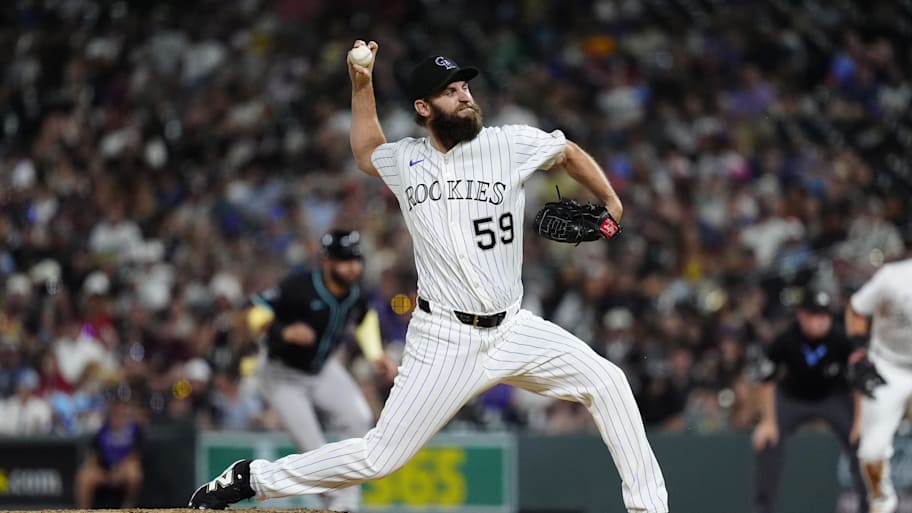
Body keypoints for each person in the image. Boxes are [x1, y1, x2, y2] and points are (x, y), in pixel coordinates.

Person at [189, 40, 668, 513]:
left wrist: (611, 202)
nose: (465, 96)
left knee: (608, 382)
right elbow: (366, 150)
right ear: (424, 107)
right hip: (443, 338)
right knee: (379, 457)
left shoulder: (506, 143)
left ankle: (649, 509)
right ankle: (252, 479)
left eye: (465, 87)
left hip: (513, 328)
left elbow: (565, 151)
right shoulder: (406, 159)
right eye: (450, 91)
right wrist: (361, 83)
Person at [243, 229, 397, 512]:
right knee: (313, 448)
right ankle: (334, 505)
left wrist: (375, 354)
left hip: (323, 369)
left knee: (358, 419)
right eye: (345, 260)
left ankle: (346, 504)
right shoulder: (298, 286)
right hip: (282, 374)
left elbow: (364, 319)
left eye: (356, 260)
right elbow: (255, 313)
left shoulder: (355, 292)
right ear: (327, 261)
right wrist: (285, 331)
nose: (353, 267)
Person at [751, 289, 867, 513]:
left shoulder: (840, 339)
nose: (821, 321)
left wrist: (859, 422)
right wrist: (768, 421)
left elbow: (858, 380)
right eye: (815, 315)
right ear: (802, 316)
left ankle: (869, 506)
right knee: (767, 440)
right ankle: (764, 509)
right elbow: (767, 380)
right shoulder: (786, 340)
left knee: (861, 442)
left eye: (825, 315)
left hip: (833, 396)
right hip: (793, 397)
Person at [845, 257, 912, 513]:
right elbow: (856, 308)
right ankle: (881, 502)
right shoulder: (893, 277)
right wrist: (859, 350)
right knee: (871, 451)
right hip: (889, 365)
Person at [74, 386, 144, 508]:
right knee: (85, 477)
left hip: (123, 470)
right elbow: (93, 456)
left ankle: (129, 507)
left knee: (134, 474)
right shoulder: (102, 429)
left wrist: (119, 471)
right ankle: (83, 510)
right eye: (115, 408)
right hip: (105, 472)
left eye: (121, 407)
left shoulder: (134, 429)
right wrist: (101, 471)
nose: (118, 410)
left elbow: (135, 456)